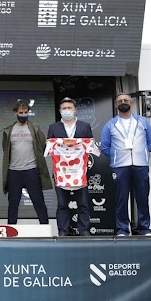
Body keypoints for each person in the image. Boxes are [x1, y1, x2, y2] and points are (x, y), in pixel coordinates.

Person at [100, 93, 151, 236]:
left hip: (140, 165)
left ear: (131, 103)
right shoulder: (110, 124)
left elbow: (149, 142)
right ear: (115, 105)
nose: (122, 102)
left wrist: (141, 153)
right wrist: (117, 156)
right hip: (120, 166)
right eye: (119, 101)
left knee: (142, 198)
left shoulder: (143, 122)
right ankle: (122, 229)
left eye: (125, 100)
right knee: (121, 199)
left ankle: (144, 228)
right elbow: (105, 147)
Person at [46, 97, 96, 236]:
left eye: (69, 108)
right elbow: (49, 148)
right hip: (61, 172)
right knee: (62, 204)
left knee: (83, 204)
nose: (67, 111)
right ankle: (63, 231)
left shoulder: (84, 126)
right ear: (60, 111)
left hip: (79, 172)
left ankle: (84, 231)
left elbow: (90, 146)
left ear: (75, 110)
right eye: (64, 109)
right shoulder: (53, 127)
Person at [1, 99, 52, 226]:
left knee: (38, 202)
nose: (23, 114)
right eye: (21, 112)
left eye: (25, 112)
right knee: (13, 203)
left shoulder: (35, 128)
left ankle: (45, 229)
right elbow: (5, 149)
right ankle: (11, 230)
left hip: (32, 170)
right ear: (15, 113)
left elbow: (44, 146)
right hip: (14, 171)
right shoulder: (9, 130)